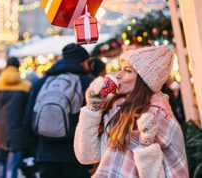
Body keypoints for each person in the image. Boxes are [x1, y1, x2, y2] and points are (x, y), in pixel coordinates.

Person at [74, 46, 189, 177]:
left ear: (144, 80)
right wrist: (93, 107)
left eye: (127, 71)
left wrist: (147, 145)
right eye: (120, 69)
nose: (118, 75)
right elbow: (87, 156)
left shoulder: (158, 115)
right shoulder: (116, 108)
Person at [24, 43, 93, 178]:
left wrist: (36, 150)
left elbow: (27, 120)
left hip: (45, 154)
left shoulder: (41, 82)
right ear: (84, 62)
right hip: (76, 156)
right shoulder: (88, 82)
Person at [0, 57, 32, 178]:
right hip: (18, 131)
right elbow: (29, 111)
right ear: (18, 67)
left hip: (0, 131)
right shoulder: (26, 86)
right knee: (13, 167)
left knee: (2, 165)